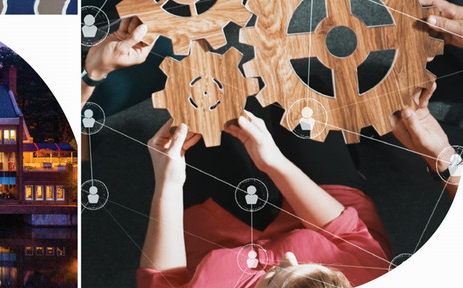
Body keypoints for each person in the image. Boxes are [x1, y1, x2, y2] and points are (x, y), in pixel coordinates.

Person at [139, 111, 391, 288]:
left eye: (275, 277)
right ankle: (351, 156)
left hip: (216, 242)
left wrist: (168, 185)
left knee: (200, 125)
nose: (288, 258)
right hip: (329, 230)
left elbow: (160, 280)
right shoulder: (367, 279)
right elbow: (346, 232)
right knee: (305, 96)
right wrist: (273, 161)